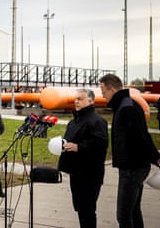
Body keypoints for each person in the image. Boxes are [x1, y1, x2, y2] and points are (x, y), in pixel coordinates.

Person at [99, 74, 160, 228]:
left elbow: (141, 136)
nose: (102, 96)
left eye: (104, 92)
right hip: (135, 166)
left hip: (132, 168)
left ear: (112, 89)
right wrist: (155, 157)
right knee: (134, 210)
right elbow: (143, 134)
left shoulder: (126, 107)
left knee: (123, 215)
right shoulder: (127, 104)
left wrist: (155, 157)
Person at [57, 89, 108, 228]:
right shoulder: (74, 122)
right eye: (75, 99)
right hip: (76, 173)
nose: (76, 101)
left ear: (91, 101)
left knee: (87, 210)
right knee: (80, 209)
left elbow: (100, 146)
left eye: (80, 99)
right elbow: (70, 140)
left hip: (90, 174)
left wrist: (79, 147)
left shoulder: (97, 121)